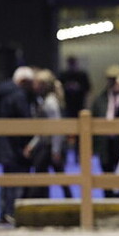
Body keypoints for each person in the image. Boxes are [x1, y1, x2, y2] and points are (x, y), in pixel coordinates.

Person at [0, 65, 36, 224]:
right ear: (24, 81)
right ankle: (14, 213)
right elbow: (25, 121)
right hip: (15, 145)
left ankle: (3, 213)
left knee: (6, 180)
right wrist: (28, 143)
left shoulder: (0, 92)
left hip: (1, 143)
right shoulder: (18, 95)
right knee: (18, 179)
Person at [23, 68, 72, 199]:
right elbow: (43, 128)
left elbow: (56, 127)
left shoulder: (51, 102)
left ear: (43, 85)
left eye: (37, 83)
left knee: (50, 176)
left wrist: (56, 150)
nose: (34, 85)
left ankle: (69, 201)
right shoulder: (42, 100)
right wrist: (32, 145)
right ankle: (49, 200)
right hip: (46, 144)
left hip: (51, 146)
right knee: (58, 176)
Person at [91, 64, 119, 197]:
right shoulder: (100, 99)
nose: (113, 83)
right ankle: (107, 202)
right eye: (110, 79)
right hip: (105, 143)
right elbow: (93, 118)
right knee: (106, 175)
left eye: (115, 79)